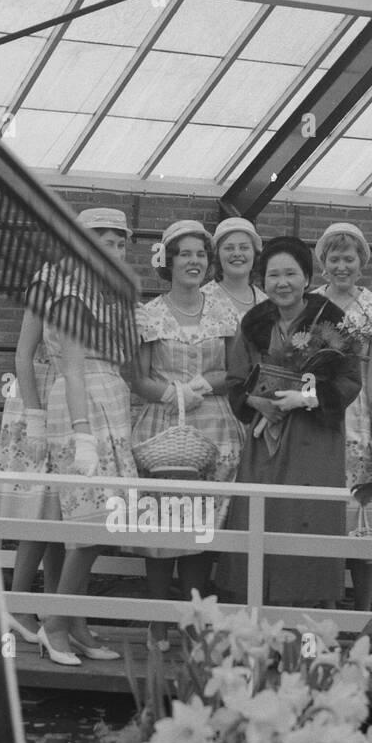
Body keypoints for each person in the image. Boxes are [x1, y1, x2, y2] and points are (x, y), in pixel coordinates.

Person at [223, 235, 362, 610]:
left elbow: (349, 380)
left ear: (306, 277)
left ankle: (308, 635)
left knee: (308, 519)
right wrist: (257, 403)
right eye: (272, 275)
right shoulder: (253, 324)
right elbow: (235, 381)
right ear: (262, 280)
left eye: (290, 273)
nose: (281, 283)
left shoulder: (332, 321)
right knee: (260, 520)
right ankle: (257, 629)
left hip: (314, 440)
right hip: (264, 440)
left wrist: (308, 398)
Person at [130, 220, 243, 649]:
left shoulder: (223, 313)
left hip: (215, 428)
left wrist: (201, 386)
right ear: (169, 261)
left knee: (202, 531)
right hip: (164, 427)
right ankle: (158, 621)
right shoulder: (149, 313)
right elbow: (139, 379)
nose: (194, 261)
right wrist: (173, 392)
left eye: (200, 254)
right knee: (163, 529)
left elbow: (235, 371)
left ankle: (195, 625)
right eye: (185, 254)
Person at [39, 208, 139, 666]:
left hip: (111, 403)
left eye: (120, 243)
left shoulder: (106, 295)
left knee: (101, 523)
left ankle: (75, 623)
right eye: (104, 241)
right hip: (83, 407)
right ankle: (54, 625)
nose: (113, 250)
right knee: (88, 522)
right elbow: (73, 368)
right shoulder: (71, 293)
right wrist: (82, 435)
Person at [313, 221, 372, 612]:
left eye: (348, 258)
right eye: (333, 258)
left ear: (360, 262)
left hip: (360, 416)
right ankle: (327, 610)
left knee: (363, 519)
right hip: (319, 408)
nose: (341, 265)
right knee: (326, 518)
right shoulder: (310, 303)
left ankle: (363, 612)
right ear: (323, 262)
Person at [0, 265, 65, 646]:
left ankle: (54, 611)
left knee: (61, 510)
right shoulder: (47, 281)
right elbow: (23, 355)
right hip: (39, 401)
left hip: (72, 399)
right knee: (40, 505)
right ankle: (17, 605)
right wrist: (36, 417)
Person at [203, 216, 269, 322]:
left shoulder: (267, 305)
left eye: (244, 247)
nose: (237, 253)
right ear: (217, 254)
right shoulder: (200, 301)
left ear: (254, 253)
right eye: (229, 248)